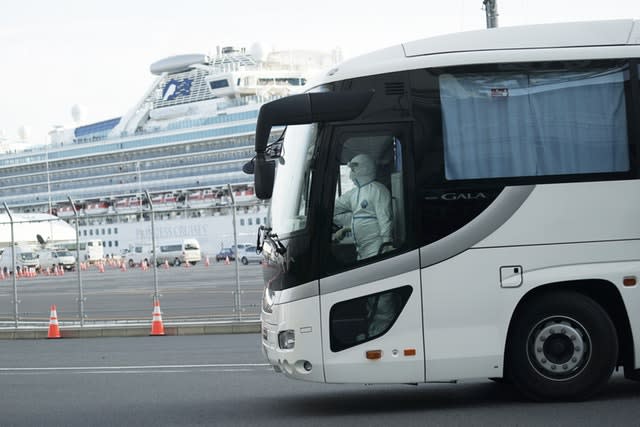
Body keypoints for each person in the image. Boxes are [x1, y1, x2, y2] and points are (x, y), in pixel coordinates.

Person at [333, 153, 393, 260]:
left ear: (364, 169)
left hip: (377, 250)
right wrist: (346, 228)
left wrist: (386, 244)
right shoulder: (353, 193)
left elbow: (384, 219)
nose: (351, 173)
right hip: (361, 251)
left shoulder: (378, 190)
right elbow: (334, 208)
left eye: (353, 169)